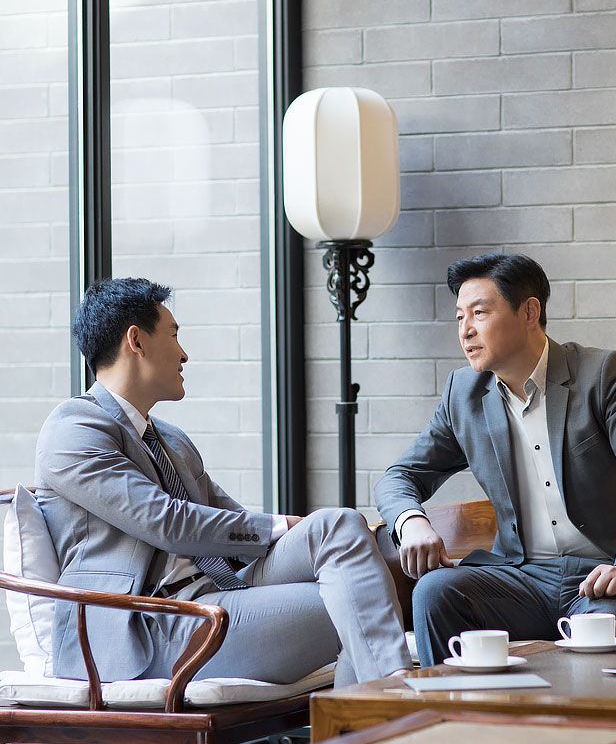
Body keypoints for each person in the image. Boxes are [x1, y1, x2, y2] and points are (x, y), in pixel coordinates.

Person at [35, 278, 412, 686]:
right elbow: (168, 522)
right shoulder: (73, 430)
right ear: (137, 341)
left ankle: (371, 717)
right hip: (147, 624)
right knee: (357, 602)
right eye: (174, 335)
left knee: (338, 525)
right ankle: (384, 713)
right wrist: (277, 526)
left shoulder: (171, 439)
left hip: (217, 594)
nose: (184, 353)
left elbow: (228, 519)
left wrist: (292, 527)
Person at [375, 253, 616, 666]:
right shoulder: (463, 394)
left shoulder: (600, 373)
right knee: (435, 591)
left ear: (529, 311)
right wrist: (410, 520)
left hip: (607, 574)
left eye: (479, 312)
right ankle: (453, 718)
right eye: (459, 317)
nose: (466, 331)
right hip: (522, 579)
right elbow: (399, 476)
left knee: (604, 620)